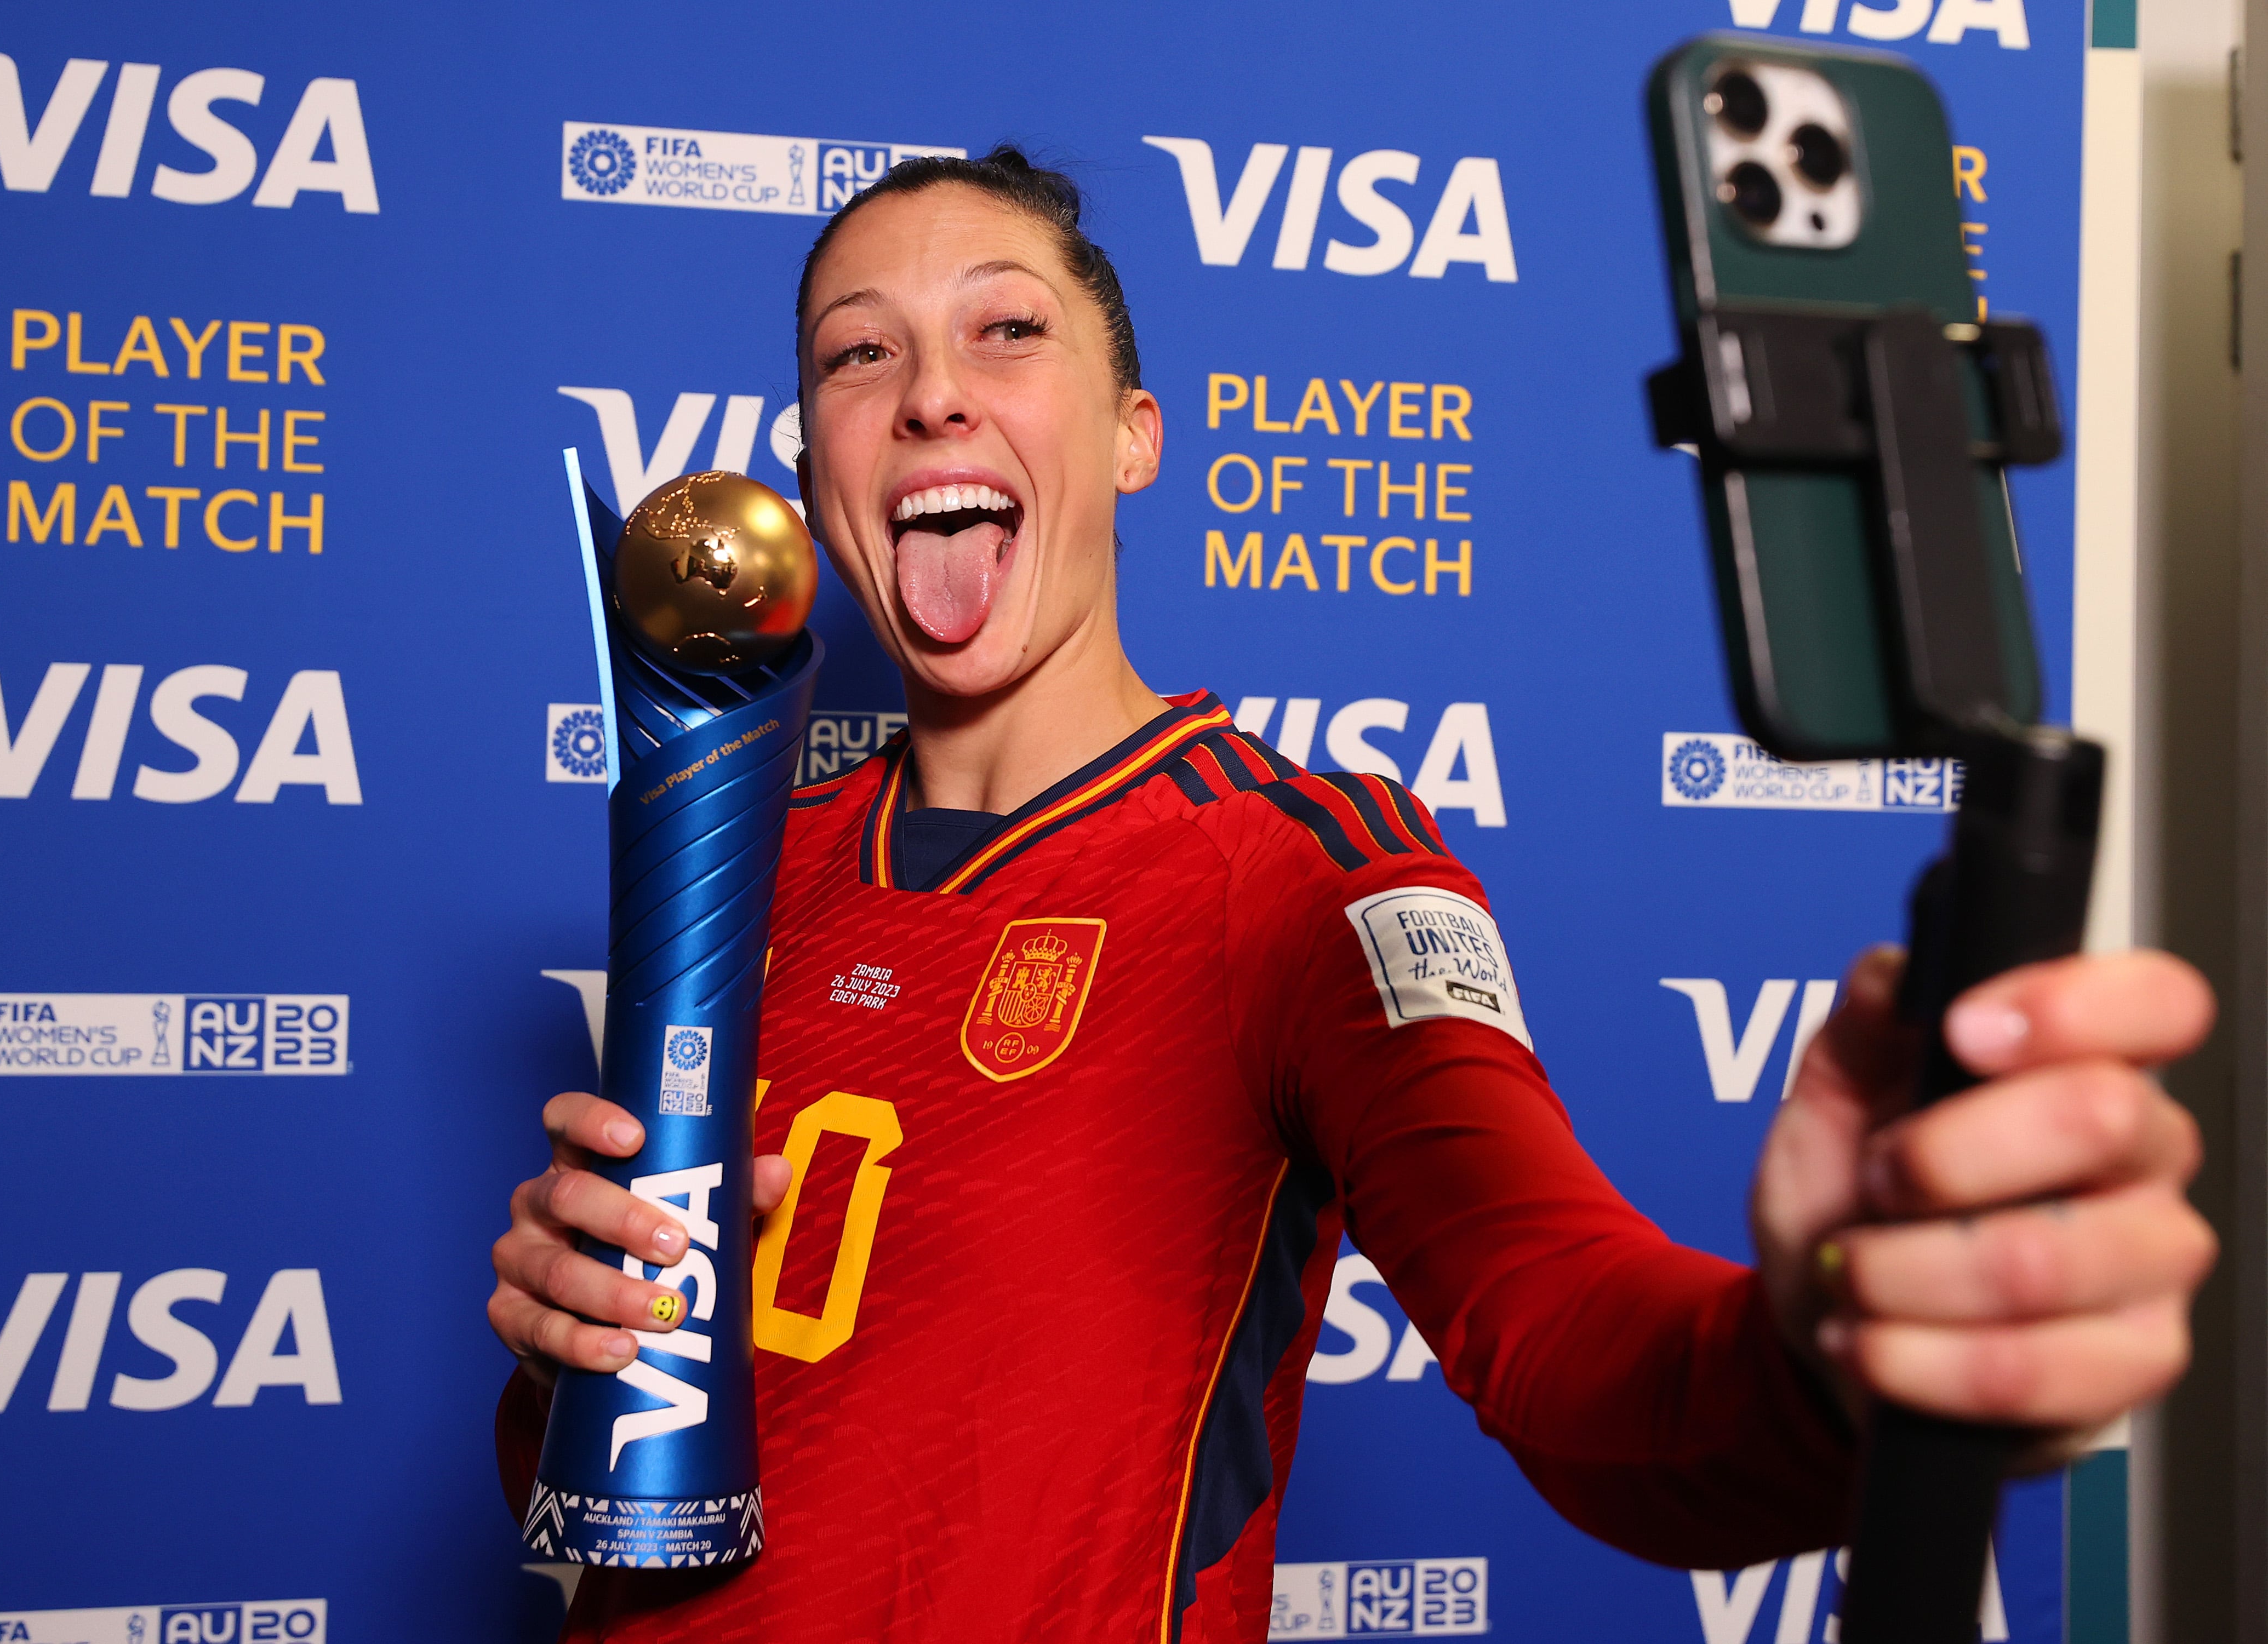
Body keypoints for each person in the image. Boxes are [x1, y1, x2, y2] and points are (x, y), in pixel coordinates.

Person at [489, 148, 2216, 1642]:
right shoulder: (739, 863)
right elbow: (621, 1487)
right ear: (814, 475)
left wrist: (1832, 1338)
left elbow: (1565, 1341)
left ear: (1135, 433)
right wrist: (571, 1361)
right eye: (859, 356)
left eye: (1008, 330)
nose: (931, 391)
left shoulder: (1299, 865)